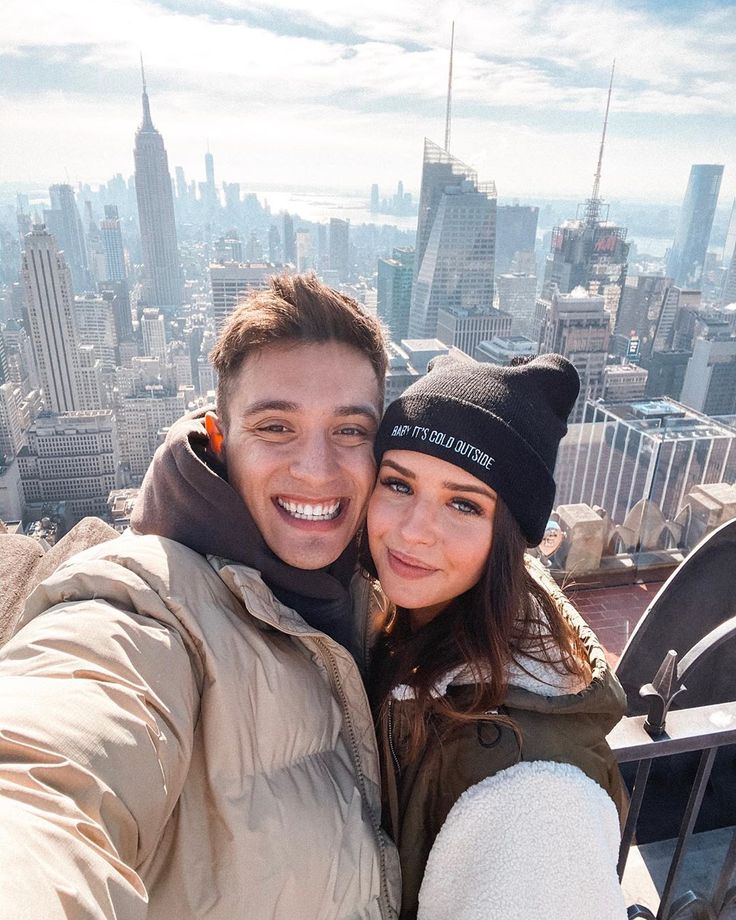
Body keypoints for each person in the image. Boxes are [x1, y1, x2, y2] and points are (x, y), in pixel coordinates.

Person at [0, 274, 400, 919]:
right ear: (219, 438)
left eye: (351, 431)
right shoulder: (144, 605)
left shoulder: (368, 593)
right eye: (276, 426)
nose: (318, 468)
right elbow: (45, 775)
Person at [366, 354, 628, 920]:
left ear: (508, 534)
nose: (413, 532)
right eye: (397, 484)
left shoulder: (536, 803)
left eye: (463, 503)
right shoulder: (399, 624)